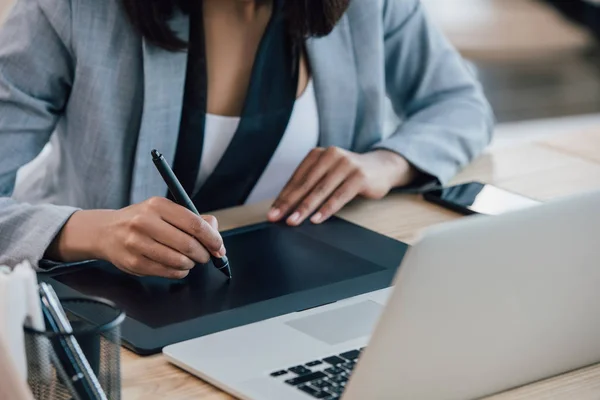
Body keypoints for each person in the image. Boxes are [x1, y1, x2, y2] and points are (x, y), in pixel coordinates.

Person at [0, 0, 493, 278]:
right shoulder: (66, 10)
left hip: (310, 286)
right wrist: (93, 231)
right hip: (113, 310)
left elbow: (460, 104)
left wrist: (387, 162)